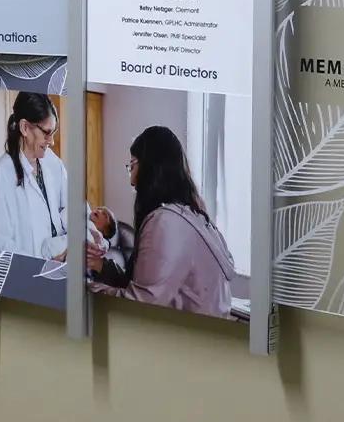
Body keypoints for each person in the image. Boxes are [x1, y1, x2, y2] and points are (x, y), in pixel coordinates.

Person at [86, 125, 237, 316]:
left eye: (132, 165)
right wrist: (100, 265)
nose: (132, 181)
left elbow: (141, 304)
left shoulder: (166, 223)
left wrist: (85, 288)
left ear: (150, 169)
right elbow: (145, 286)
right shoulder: (193, 213)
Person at [0, 92, 68, 261]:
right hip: (29, 277)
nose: (51, 141)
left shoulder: (53, 163)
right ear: (24, 128)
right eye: (46, 132)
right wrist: (44, 263)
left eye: (54, 133)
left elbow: (70, 209)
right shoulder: (2, 174)